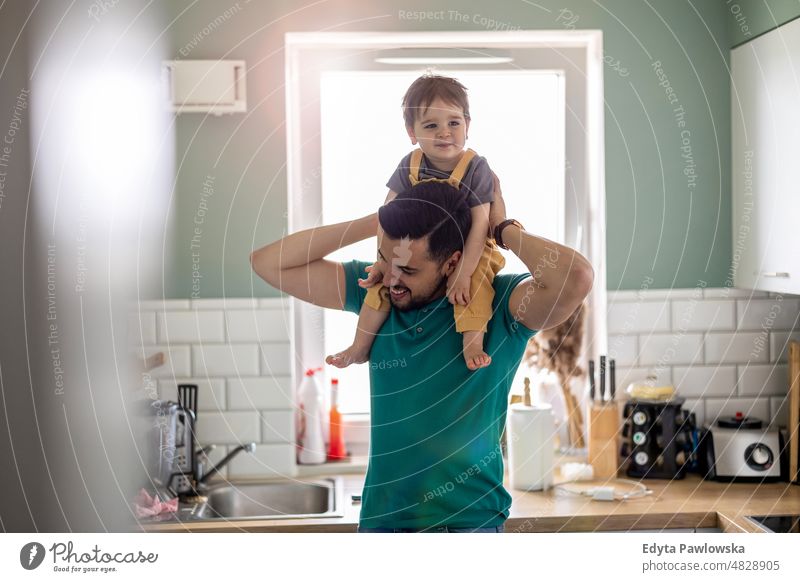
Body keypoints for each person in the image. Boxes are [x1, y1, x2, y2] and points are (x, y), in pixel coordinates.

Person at [250, 176, 594, 533]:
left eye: (410, 270)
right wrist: (376, 222)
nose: (393, 279)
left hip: (468, 527)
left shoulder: (499, 305)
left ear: (452, 263)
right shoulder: (377, 293)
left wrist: (499, 229)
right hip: (382, 527)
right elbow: (268, 263)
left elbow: (576, 277)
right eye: (387, 260)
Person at [326, 74, 503, 371]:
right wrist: (382, 261)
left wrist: (462, 272)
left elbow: (480, 225)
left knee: (477, 284)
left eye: (454, 123)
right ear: (412, 131)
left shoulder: (476, 168)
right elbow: (386, 215)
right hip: (419, 250)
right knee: (381, 283)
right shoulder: (410, 163)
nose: (444, 133)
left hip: (470, 246)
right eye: (431, 125)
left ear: (468, 126)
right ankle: (360, 346)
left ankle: (472, 342)